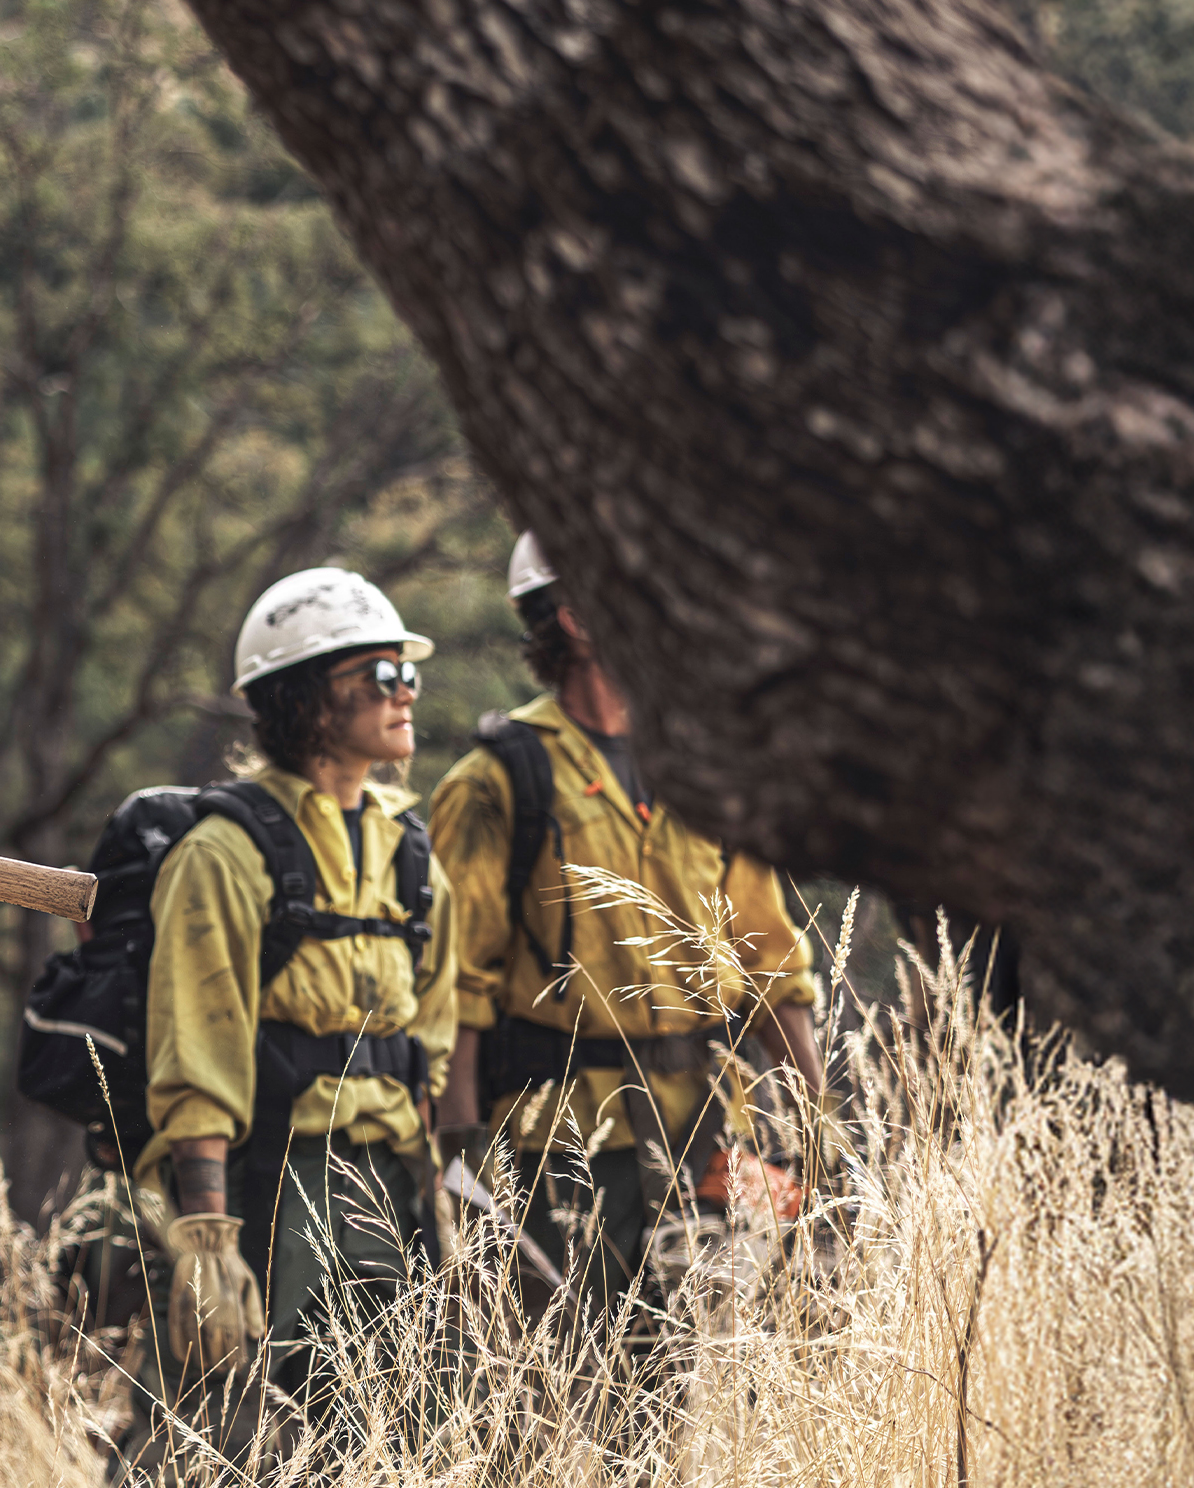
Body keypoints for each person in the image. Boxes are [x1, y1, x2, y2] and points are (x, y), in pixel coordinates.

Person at [426, 532, 827, 1329]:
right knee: (570, 1393)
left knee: (711, 1386)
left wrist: (821, 1130)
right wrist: (461, 1167)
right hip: (566, 1146)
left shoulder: (702, 763)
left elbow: (771, 963)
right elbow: (454, 993)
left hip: (717, 1135)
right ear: (576, 618)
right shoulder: (495, 781)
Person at [127, 567, 455, 1465]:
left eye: (408, 674)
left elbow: (430, 1039)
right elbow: (197, 1052)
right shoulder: (226, 853)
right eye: (379, 676)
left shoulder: (411, 852)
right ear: (306, 698)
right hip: (270, 1184)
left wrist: (438, 1201)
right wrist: (205, 1239)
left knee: (396, 1449)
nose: (404, 695)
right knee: (215, 1446)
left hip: (386, 1191)